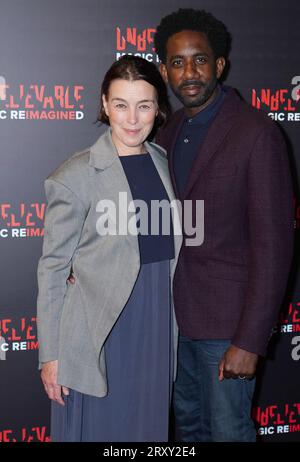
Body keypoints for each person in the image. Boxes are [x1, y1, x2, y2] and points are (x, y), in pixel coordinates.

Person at [154, 8, 294, 442]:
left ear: (219, 65)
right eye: (178, 62)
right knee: (189, 432)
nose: (189, 71)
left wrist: (250, 341)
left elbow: (274, 247)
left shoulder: (256, 132)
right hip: (175, 326)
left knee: (229, 433)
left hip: (228, 329)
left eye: (200, 59)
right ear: (164, 71)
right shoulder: (165, 132)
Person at [36, 55, 182, 442]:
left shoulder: (163, 163)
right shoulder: (74, 176)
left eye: (144, 105)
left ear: (158, 108)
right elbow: (52, 270)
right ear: (104, 104)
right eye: (121, 105)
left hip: (156, 324)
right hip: (99, 332)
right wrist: (51, 355)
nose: (133, 119)